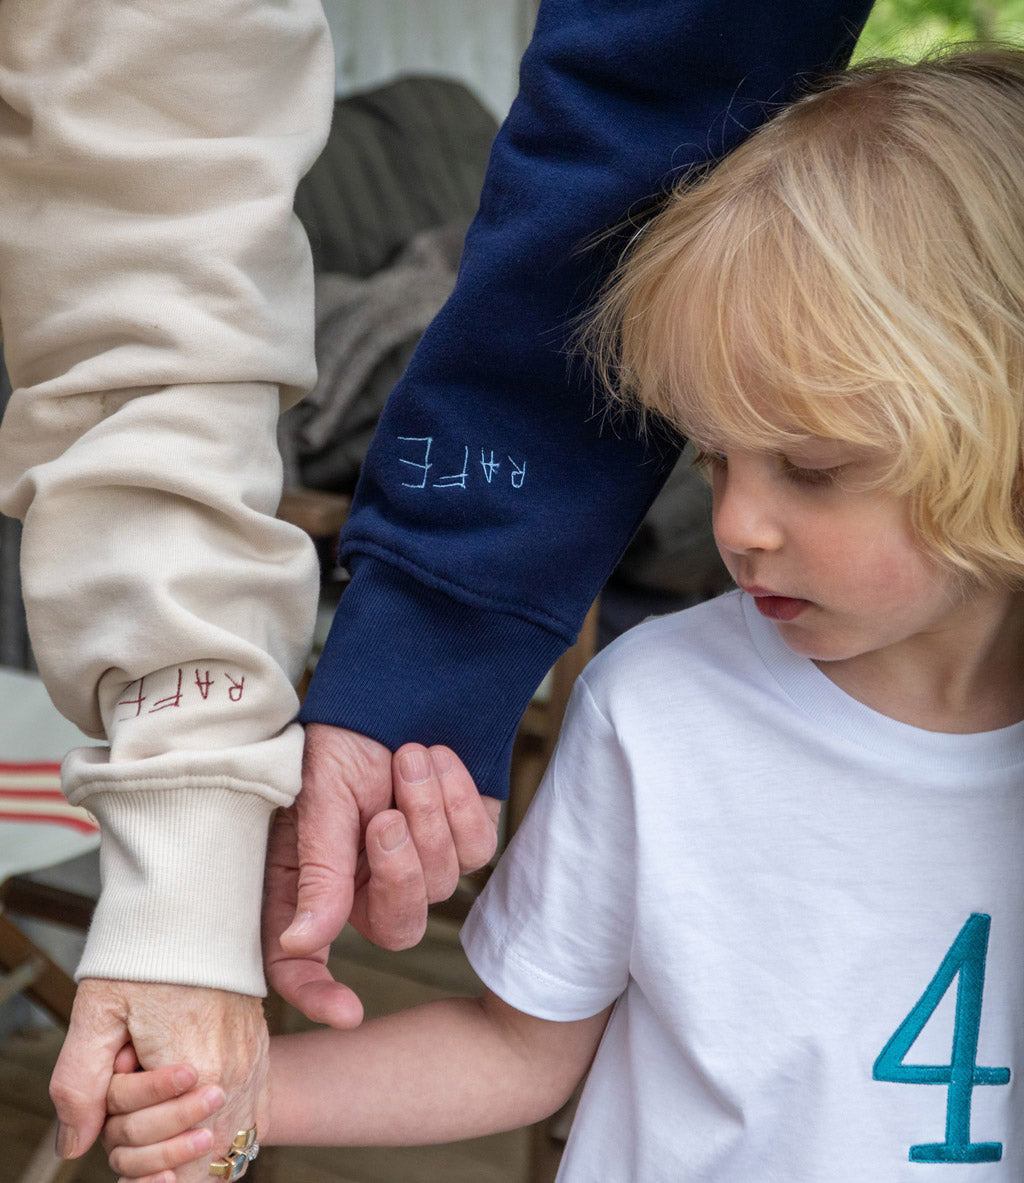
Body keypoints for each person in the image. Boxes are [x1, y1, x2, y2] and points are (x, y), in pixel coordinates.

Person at [100, 45, 1024, 1182]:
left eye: (814, 467)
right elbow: (518, 1050)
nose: (740, 525)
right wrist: (233, 1100)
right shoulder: (659, 710)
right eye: (713, 460)